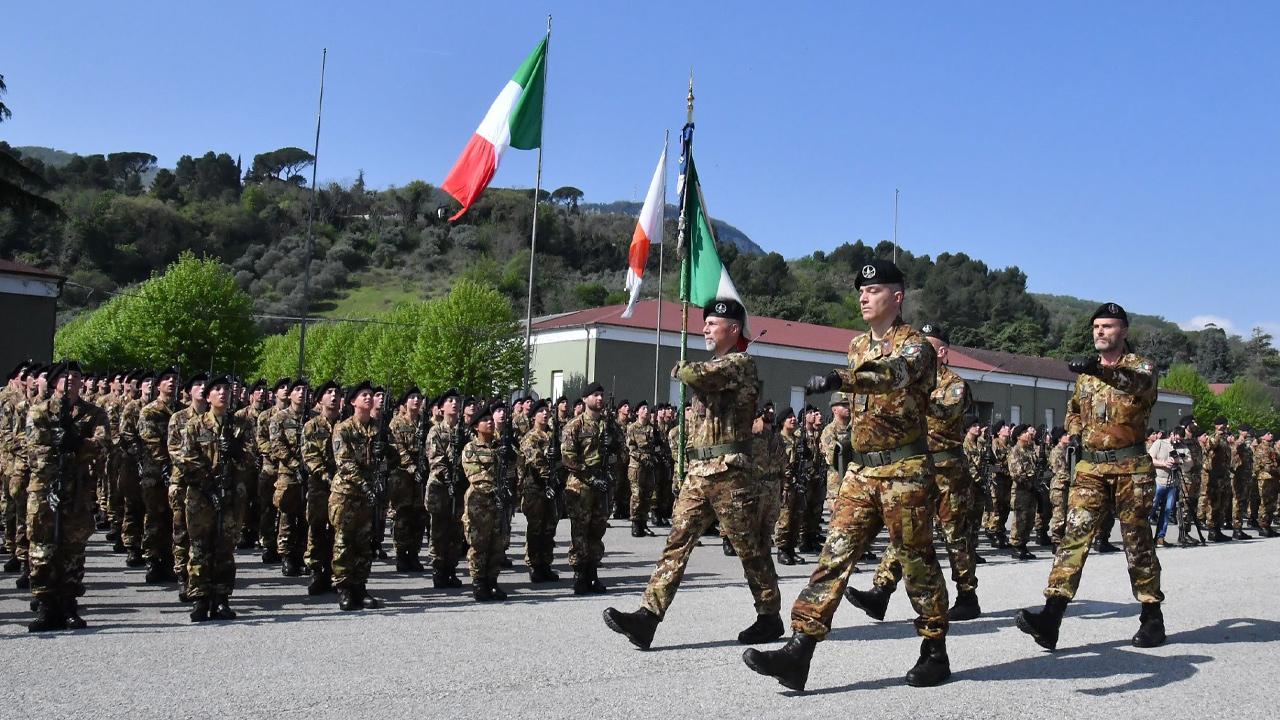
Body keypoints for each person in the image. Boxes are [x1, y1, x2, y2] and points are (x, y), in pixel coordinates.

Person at [742, 259, 951, 690]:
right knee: (832, 557)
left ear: (897, 297)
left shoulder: (917, 347)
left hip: (905, 471)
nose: (863, 296)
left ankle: (935, 650)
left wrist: (843, 377)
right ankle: (799, 649)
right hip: (861, 472)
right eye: (860, 290)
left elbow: (894, 374)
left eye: (873, 290)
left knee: (917, 563)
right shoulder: (857, 344)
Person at [604, 297, 782, 651]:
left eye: (712, 324)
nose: (704, 328)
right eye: (703, 324)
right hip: (700, 472)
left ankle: (769, 616)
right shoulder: (716, 366)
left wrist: (680, 367)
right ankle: (647, 617)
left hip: (731, 470)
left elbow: (699, 374)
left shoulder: (741, 364)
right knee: (677, 542)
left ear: (733, 329)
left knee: (750, 548)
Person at [1016, 302, 1165, 651]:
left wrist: (1101, 371)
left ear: (1124, 331)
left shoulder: (1141, 367)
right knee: (1073, 537)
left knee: (1136, 542)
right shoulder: (1085, 376)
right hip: (1090, 469)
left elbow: (1134, 384)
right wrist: (1076, 431)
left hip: (1130, 468)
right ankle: (1051, 615)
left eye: (1108, 326)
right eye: (1097, 326)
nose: (1100, 332)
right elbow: (1073, 413)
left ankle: (1151, 615)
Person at [844, 322, 983, 621]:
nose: (916, 352)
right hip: (914, 468)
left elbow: (946, 413)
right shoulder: (906, 381)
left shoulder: (953, 385)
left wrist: (915, 398)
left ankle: (967, 594)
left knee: (955, 536)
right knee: (905, 532)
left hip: (947, 470)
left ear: (942, 352)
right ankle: (881, 591)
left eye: (926, 347)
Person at [24, 362, 111, 631]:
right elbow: (34, 449)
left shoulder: (94, 413)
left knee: (74, 548)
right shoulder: (39, 411)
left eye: (75, 376)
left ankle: (69, 603)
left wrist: (78, 444)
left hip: (79, 489)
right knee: (42, 548)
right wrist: (58, 451)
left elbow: (104, 444)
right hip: (45, 487)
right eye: (64, 376)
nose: (71, 379)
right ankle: (45, 605)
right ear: (54, 382)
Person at [175, 376, 253, 622]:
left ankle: (221, 599)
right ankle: (199, 598)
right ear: (207, 397)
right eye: (217, 389)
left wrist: (237, 451)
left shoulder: (240, 424)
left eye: (226, 390)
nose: (223, 393)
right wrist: (207, 483)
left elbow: (253, 457)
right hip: (201, 495)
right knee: (199, 548)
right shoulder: (195, 425)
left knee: (224, 548)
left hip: (230, 495)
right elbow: (186, 458)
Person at [330, 381, 398, 611]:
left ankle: (360, 585)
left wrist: (387, 451)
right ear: (353, 401)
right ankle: (344, 587)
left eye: (371, 395)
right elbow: (345, 464)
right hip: (347, 495)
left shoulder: (380, 429)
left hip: (370, 497)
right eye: (364, 395)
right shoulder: (343, 429)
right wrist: (366, 486)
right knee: (344, 542)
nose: (369, 398)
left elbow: (394, 459)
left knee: (364, 543)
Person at [560, 382, 614, 595]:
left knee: (597, 530)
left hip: (602, 486)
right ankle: (580, 575)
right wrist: (590, 476)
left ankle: (593, 574)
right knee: (580, 532)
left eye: (601, 395)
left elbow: (623, 452)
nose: (599, 398)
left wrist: (611, 462)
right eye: (595, 395)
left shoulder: (608, 425)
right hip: (581, 485)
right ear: (585, 399)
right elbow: (567, 458)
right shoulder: (575, 426)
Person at [137, 367, 181, 584]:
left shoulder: (182, 411)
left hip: (177, 473)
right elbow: (151, 441)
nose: (171, 382)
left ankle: (170, 560)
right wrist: (165, 464)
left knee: (174, 518)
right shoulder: (150, 412)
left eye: (174, 379)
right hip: (155, 473)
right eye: (167, 379)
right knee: (155, 518)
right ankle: (153, 560)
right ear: (158, 385)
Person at [461, 404, 508, 601]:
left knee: (498, 543)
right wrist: (495, 488)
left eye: (491, 419)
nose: (490, 422)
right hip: (479, 503)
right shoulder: (471, 449)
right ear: (475, 426)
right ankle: (479, 582)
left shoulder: (500, 446)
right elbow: (475, 475)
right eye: (484, 421)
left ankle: (492, 581)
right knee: (479, 544)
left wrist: (511, 459)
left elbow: (511, 472)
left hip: (498, 503)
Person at [302, 380, 341, 594]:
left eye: (336, 393)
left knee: (339, 530)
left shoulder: (346, 425)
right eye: (328, 393)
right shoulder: (312, 426)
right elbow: (309, 456)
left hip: (343, 486)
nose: (333, 396)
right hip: (319, 485)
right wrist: (327, 476)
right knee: (317, 528)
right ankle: (317, 571)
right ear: (320, 400)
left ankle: (337, 573)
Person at [426, 388, 466, 589]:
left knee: (456, 530)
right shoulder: (436, 431)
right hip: (440, 488)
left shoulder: (463, 431)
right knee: (439, 530)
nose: (454, 403)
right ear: (441, 407)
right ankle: (439, 570)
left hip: (459, 487)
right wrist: (449, 479)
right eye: (449, 400)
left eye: (456, 400)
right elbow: (436, 460)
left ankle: (451, 568)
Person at [518, 399, 560, 582]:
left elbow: (564, 457)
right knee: (535, 528)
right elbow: (535, 460)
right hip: (535, 487)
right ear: (534, 415)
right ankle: (534, 564)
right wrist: (549, 473)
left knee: (549, 527)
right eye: (540, 411)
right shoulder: (530, 437)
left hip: (552, 486)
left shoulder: (553, 436)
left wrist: (557, 462)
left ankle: (546, 563)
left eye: (546, 410)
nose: (545, 413)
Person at [1006, 424, 1040, 560]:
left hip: (1031, 489)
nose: (1028, 434)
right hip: (1021, 489)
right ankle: (1016, 546)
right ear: (1019, 436)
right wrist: (1029, 483)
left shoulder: (1030, 450)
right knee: (1020, 519)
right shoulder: (1016, 451)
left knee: (1030, 519)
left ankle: (1024, 545)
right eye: (1025, 432)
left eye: (1028, 432)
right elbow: (1016, 473)